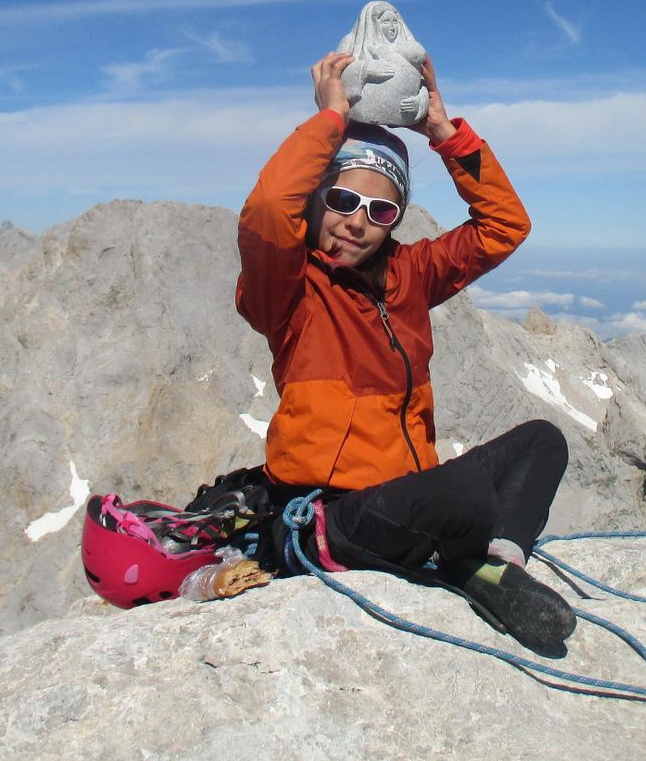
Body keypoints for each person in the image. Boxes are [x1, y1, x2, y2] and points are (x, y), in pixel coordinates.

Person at [235, 50, 576, 656]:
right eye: (342, 200)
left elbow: (504, 226)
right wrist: (330, 119)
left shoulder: (410, 276)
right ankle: (468, 560)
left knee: (542, 442)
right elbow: (266, 212)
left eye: (380, 210)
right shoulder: (288, 291)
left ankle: (494, 566)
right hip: (328, 518)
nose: (356, 222)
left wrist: (443, 131)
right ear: (316, 198)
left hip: (404, 499)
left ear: (394, 221)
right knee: (466, 496)